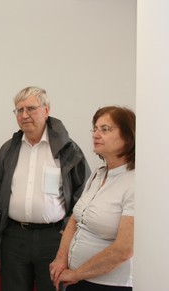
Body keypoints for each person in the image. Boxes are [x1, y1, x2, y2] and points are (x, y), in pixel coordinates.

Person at [0, 86, 91, 291]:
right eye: (19, 110)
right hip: (14, 238)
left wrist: (69, 234)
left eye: (31, 108)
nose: (24, 115)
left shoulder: (68, 149)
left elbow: (83, 197)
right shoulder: (8, 149)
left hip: (54, 238)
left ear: (46, 110)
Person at [49, 106, 135, 291]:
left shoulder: (136, 182)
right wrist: (61, 259)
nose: (96, 134)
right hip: (78, 279)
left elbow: (124, 249)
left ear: (128, 137)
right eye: (95, 129)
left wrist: (76, 274)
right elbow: (75, 219)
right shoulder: (98, 174)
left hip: (109, 285)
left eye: (105, 129)